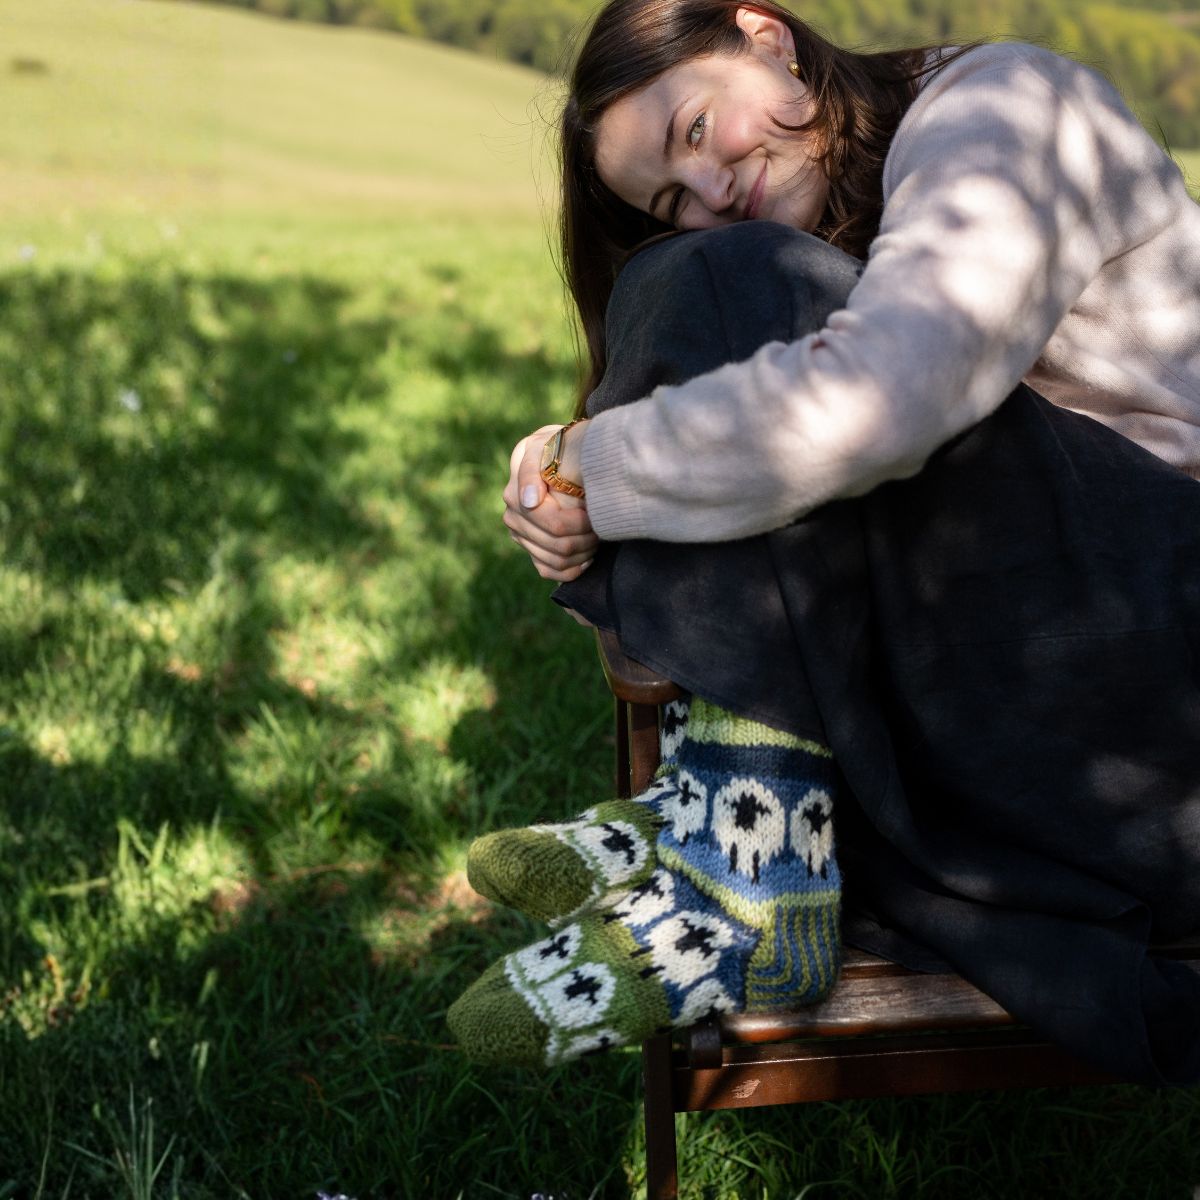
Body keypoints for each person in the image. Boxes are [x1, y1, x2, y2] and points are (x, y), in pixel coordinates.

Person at [451, 0, 1200, 1083]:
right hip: (1057, 728)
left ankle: (733, 863)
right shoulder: (824, 231)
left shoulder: (1006, 104)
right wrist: (567, 462)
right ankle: (731, 823)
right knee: (708, 288)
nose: (710, 188)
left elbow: (885, 398)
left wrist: (597, 467)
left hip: (1162, 716)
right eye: (672, 195)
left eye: (697, 128)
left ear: (766, 34)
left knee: (727, 280)